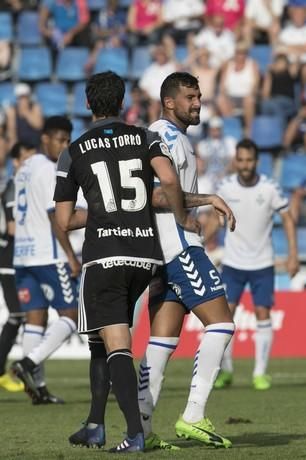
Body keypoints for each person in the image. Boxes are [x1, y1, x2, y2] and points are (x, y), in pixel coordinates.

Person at [53, 71, 191, 453]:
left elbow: (63, 221)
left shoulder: (74, 150)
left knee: (115, 344)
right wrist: (181, 216)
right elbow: (169, 179)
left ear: (87, 103)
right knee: (102, 339)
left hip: (106, 256)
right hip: (145, 255)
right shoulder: (148, 138)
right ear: (122, 102)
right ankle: (95, 424)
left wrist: (99, 214)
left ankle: (135, 434)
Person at [137, 72, 237, 450]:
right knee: (222, 325)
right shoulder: (163, 137)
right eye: (190, 97)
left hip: (162, 251)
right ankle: (194, 413)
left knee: (161, 342)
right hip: (178, 247)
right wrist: (205, 199)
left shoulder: (173, 137)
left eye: (199, 96)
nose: (198, 103)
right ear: (169, 102)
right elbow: (155, 195)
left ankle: (141, 429)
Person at [213, 139, 299, 391]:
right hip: (232, 263)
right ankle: (225, 371)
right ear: (235, 161)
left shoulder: (270, 188)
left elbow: (288, 218)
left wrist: (293, 254)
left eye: (249, 160)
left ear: (256, 161)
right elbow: (214, 217)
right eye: (241, 160)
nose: (245, 165)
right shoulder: (225, 187)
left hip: (262, 263)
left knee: (263, 314)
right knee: (224, 317)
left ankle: (260, 373)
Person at [10, 116, 81, 405]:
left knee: (35, 321)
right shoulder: (50, 170)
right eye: (60, 140)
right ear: (45, 139)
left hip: (23, 255)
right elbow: (57, 218)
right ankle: (28, 363)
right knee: (71, 315)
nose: (64, 146)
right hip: (48, 255)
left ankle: (38, 389)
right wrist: (70, 256)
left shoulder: (25, 168)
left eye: (68, 141)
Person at [0, 143, 34, 393]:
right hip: (10, 259)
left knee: (21, 315)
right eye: (25, 159)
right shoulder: (14, 186)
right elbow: (12, 227)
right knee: (18, 315)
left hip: (21, 258)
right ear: (15, 162)